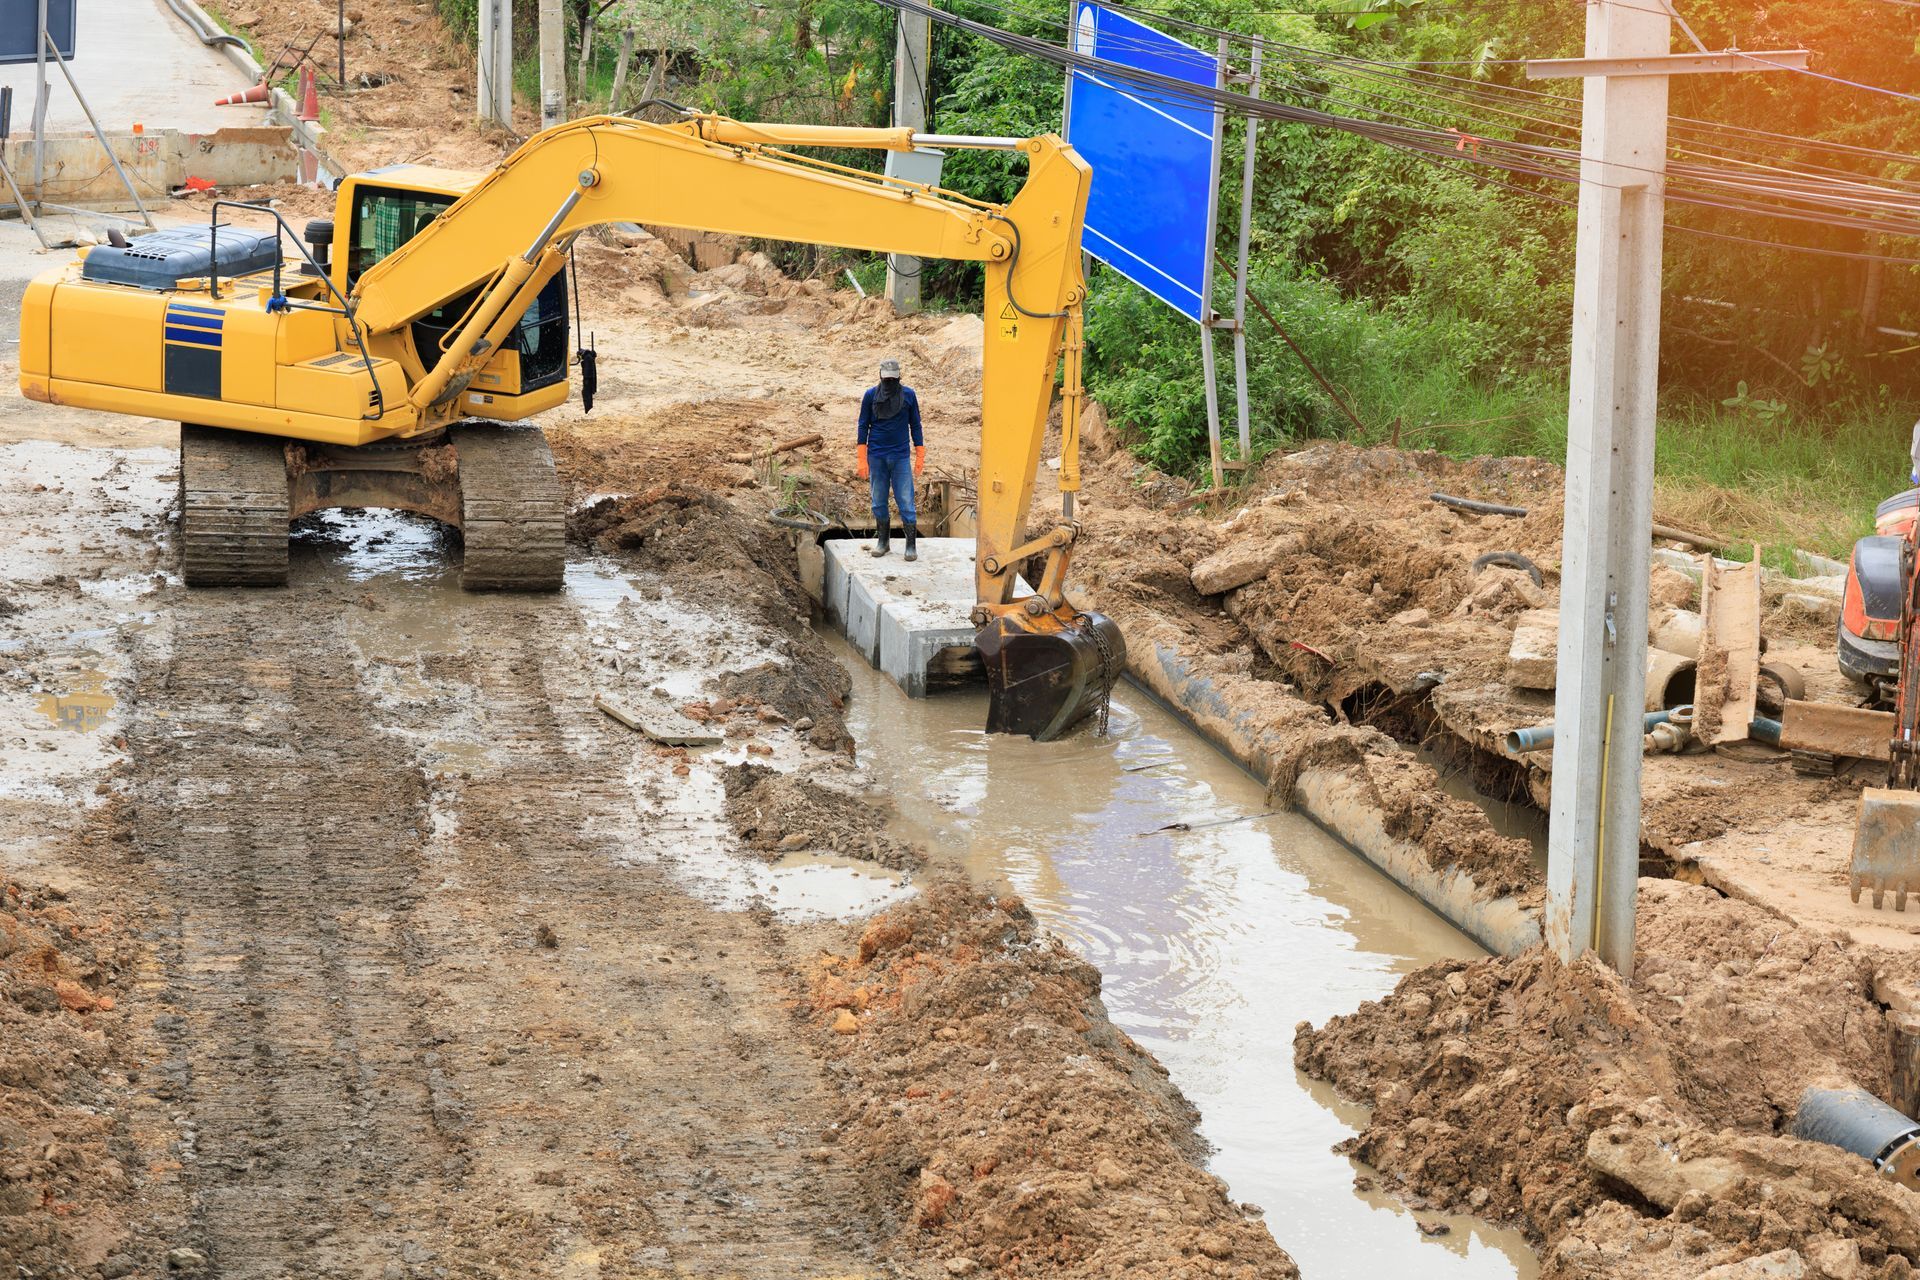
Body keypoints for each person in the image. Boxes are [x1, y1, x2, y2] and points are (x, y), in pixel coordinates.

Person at [855, 358, 926, 561]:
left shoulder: (909, 395)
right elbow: (863, 425)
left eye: (892, 379)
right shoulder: (870, 396)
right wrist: (862, 457)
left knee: (905, 501)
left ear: (898, 377)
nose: (889, 382)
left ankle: (910, 546)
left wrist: (920, 452)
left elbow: (916, 425)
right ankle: (883, 542)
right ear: (880, 376)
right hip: (876, 456)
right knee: (878, 501)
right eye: (886, 379)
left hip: (900, 457)